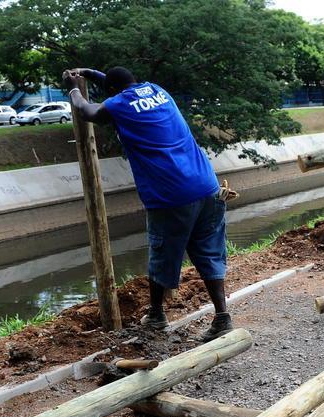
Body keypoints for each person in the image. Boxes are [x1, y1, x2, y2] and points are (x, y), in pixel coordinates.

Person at [63, 66, 232, 341]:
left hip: (171, 195)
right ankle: (222, 316)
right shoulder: (157, 90)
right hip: (207, 185)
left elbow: (87, 111)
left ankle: (156, 315)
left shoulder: (118, 104)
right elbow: (118, 84)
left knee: (163, 254)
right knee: (209, 253)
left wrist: (72, 87)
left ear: (112, 92)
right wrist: (89, 73)